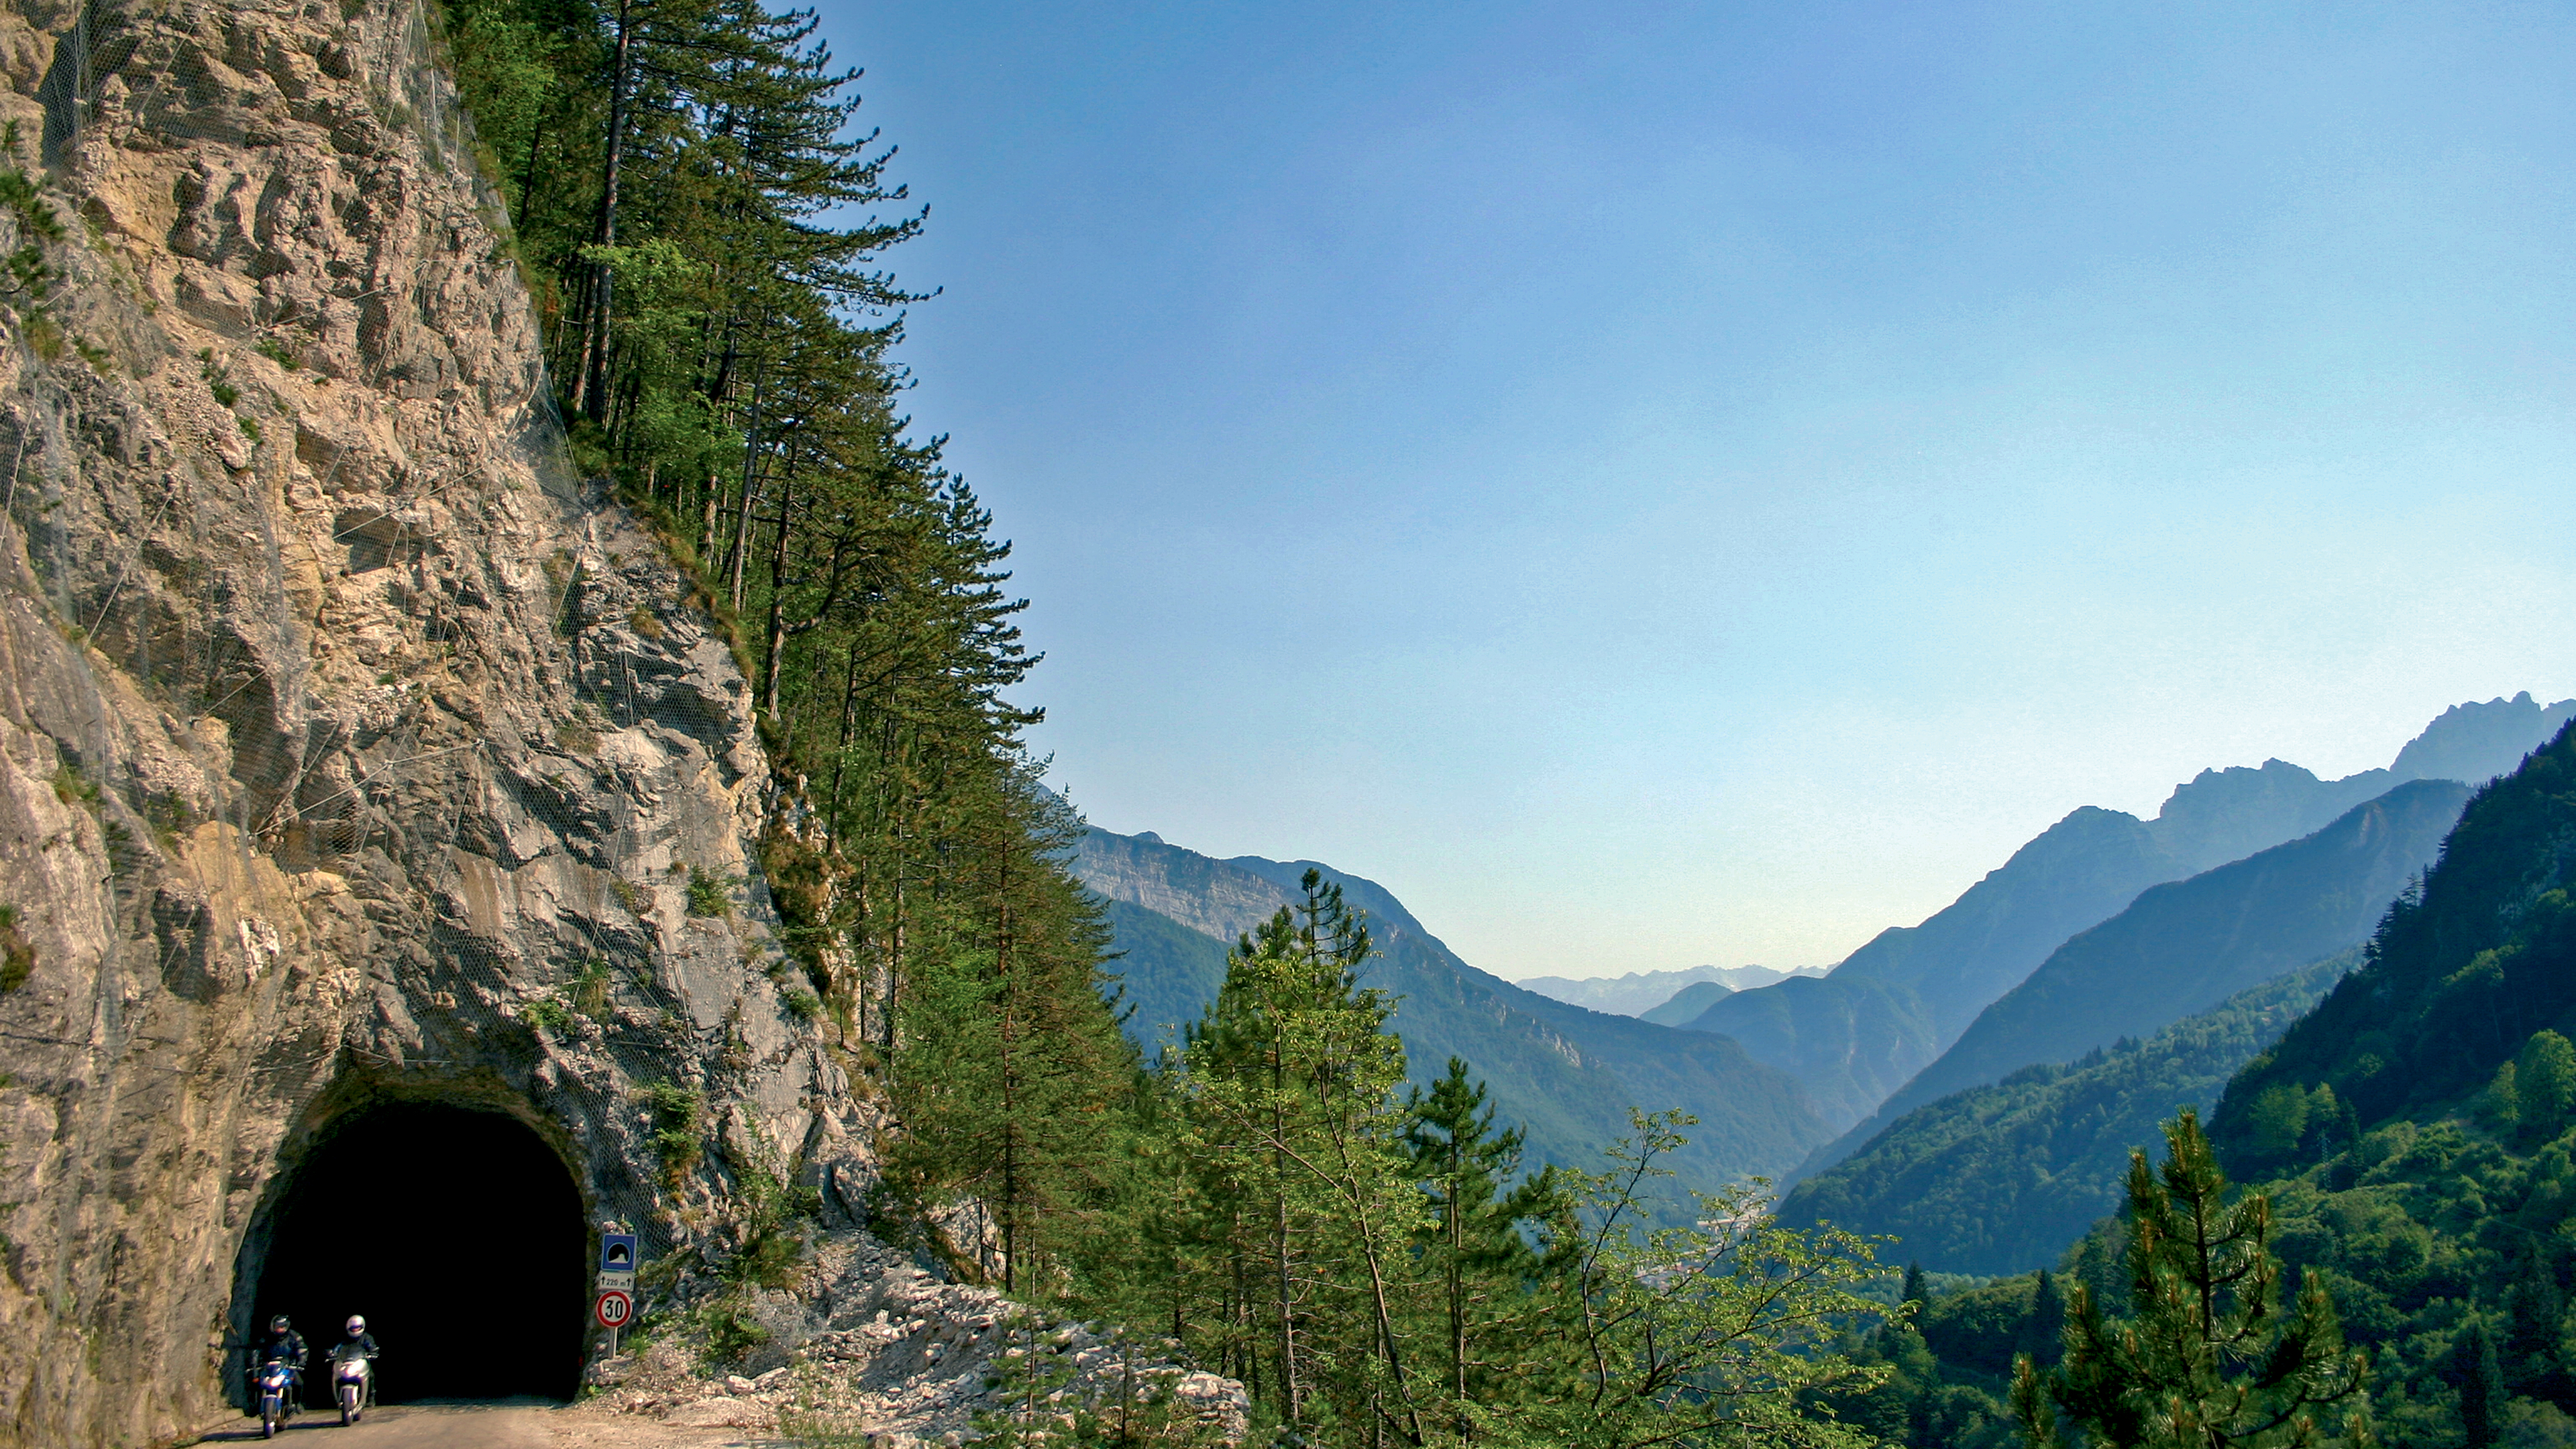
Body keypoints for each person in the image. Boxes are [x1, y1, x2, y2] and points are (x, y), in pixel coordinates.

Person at [254, 1315, 309, 1409]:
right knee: (256, 1382)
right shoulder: (267, 1337)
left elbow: (301, 1349)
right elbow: (258, 1350)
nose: (280, 1329)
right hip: (269, 1367)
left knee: (298, 1383)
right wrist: (255, 1363)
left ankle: (296, 1403)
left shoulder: (294, 1336)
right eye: (277, 1327)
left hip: (287, 1366)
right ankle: (256, 1405)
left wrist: (301, 1361)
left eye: (282, 1327)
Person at [333, 1316, 381, 1405]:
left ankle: (370, 1397)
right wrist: (333, 1353)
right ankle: (338, 1397)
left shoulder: (367, 1337)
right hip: (346, 1362)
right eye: (353, 1328)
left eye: (358, 1328)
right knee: (337, 1374)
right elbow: (338, 1347)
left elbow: (372, 1347)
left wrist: (372, 1353)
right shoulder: (345, 1338)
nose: (355, 1330)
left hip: (360, 1362)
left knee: (370, 1375)